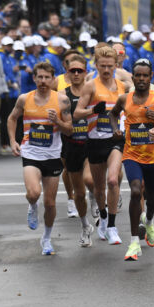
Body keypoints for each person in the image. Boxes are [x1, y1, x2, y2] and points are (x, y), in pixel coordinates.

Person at [6, 62, 73, 255]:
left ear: (53, 79)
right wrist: (13, 141)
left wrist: (57, 121)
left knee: (50, 203)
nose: (43, 81)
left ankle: (47, 238)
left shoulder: (62, 101)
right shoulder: (24, 99)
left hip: (52, 155)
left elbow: (70, 130)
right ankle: (32, 205)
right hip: (31, 153)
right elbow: (12, 118)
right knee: (34, 193)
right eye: (40, 77)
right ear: (34, 78)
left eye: (47, 77)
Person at [74, 45, 132, 245]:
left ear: (116, 65)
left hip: (115, 139)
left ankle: (113, 227)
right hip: (95, 141)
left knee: (113, 181)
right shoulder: (90, 86)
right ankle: (104, 217)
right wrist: (92, 111)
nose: (106, 70)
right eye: (102, 66)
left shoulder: (122, 86)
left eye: (110, 66)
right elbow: (77, 113)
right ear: (96, 65)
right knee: (99, 189)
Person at [110, 59, 154, 261]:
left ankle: (148, 222)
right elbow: (113, 114)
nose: (141, 79)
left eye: (145, 75)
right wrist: (115, 129)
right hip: (131, 154)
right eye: (138, 75)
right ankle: (134, 242)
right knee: (135, 191)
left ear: (150, 77)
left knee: (152, 199)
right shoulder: (124, 99)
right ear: (133, 78)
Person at [60, 53, 96, 247]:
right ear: (67, 72)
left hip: (91, 144)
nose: (76, 74)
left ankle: (96, 198)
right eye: (72, 71)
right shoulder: (62, 96)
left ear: (85, 72)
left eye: (79, 71)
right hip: (71, 145)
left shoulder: (93, 91)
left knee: (90, 179)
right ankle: (85, 226)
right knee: (79, 194)